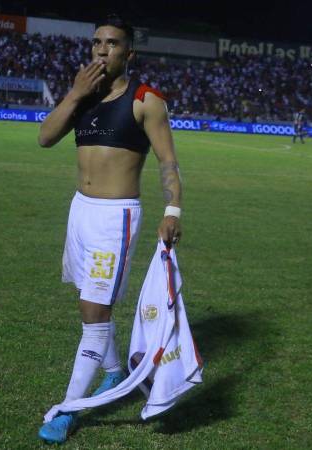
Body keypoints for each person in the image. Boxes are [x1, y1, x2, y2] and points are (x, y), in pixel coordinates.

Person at [36, 15, 182, 444]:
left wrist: (173, 208)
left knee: (93, 312)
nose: (102, 49)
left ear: (128, 53)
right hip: (79, 212)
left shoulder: (145, 100)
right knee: (90, 304)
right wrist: (76, 92)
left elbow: (168, 162)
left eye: (113, 43)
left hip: (114, 219)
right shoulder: (84, 97)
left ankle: (68, 408)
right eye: (97, 42)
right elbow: (45, 138)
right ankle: (116, 371)